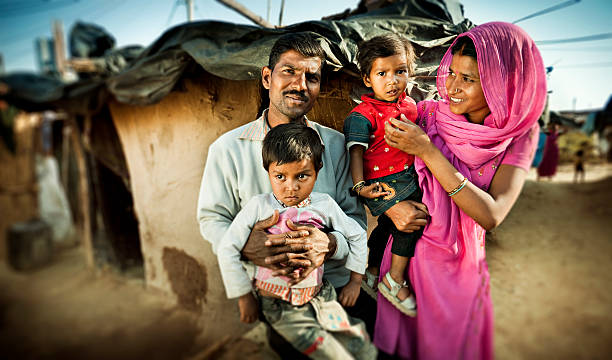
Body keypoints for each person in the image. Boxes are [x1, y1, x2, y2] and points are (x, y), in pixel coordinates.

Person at [197, 32, 385, 355]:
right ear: (268, 77)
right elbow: (212, 217)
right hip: (278, 296)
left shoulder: (337, 146)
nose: (300, 84)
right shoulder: (228, 150)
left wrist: (329, 244)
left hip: (335, 287)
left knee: (377, 345)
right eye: (289, 72)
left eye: (311, 77)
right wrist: (246, 245)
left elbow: (353, 218)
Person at [375, 22, 547, 359]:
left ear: (502, 85)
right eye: (451, 72)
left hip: (459, 271)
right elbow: (375, 168)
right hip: (404, 267)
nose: (451, 87)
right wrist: (389, 208)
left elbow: (492, 214)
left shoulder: (520, 133)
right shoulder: (425, 114)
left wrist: (428, 152)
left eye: (467, 79)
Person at [217, 123, 376, 359]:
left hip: (322, 295)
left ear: (318, 169)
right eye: (280, 176)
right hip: (279, 302)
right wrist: (244, 296)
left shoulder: (324, 205)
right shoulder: (258, 207)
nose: (291, 187)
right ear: (267, 170)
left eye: (302, 175)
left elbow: (357, 234)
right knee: (331, 354)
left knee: (360, 346)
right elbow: (227, 247)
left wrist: (355, 281)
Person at [342, 33, 422, 316]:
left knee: (387, 226)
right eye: (382, 73)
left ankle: (373, 269)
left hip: (407, 176)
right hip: (378, 184)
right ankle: (395, 279)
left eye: (400, 72)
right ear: (367, 79)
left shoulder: (410, 106)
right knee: (410, 221)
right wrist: (359, 186)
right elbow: (355, 154)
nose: (393, 80)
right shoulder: (362, 116)